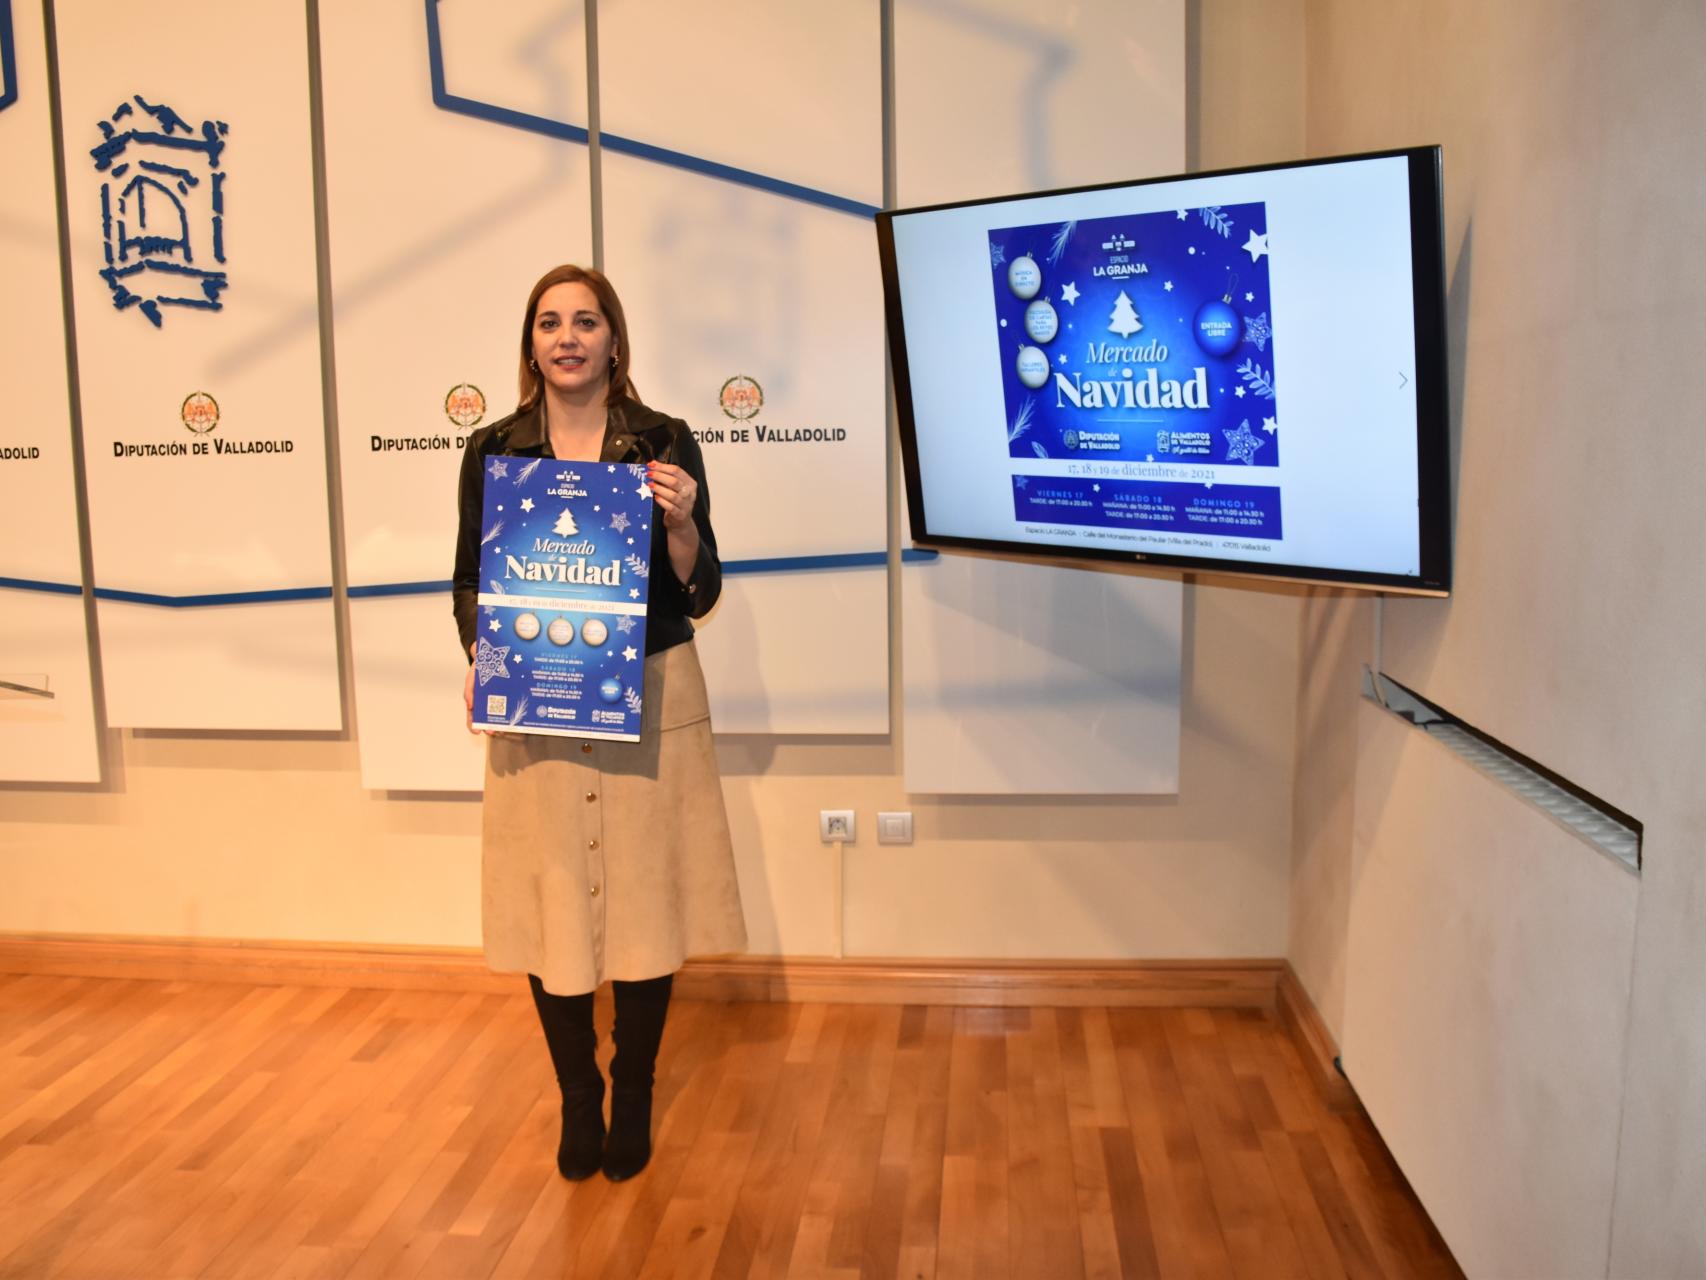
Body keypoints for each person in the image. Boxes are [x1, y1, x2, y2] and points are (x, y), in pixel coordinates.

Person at [451, 264, 747, 1182]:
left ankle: (638, 1087)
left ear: (616, 340)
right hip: (540, 697)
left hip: (649, 692)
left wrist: (684, 524)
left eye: (587, 321)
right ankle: (579, 1095)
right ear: (531, 342)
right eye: (550, 323)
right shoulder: (495, 449)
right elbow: (469, 581)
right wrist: (484, 660)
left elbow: (699, 591)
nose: (568, 338)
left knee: (647, 906)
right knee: (554, 907)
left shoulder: (663, 442)